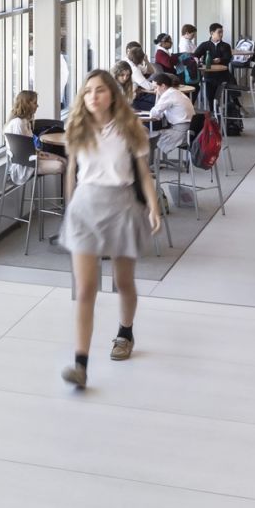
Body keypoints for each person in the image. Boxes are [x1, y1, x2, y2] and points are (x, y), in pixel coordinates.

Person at [59, 70, 162, 388]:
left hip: (121, 206)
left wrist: (154, 206)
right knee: (86, 289)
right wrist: (69, 207)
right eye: (88, 91)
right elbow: (72, 172)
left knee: (123, 282)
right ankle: (81, 364)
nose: (93, 96)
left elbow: (144, 173)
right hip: (86, 206)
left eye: (100, 90)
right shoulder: (76, 127)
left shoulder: (130, 128)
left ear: (112, 95)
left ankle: (125, 331)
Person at [4, 89, 65, 178]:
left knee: (64, 160)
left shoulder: (24, 122)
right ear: (27, 104)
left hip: (32, 157)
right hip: (26, 165)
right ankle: (69, 191)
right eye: (35, 102)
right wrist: (47, 156)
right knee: (62, 164)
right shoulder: (18, 123)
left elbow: (30, 149)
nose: (37, 105)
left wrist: (46, 155)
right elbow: (23, 153)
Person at [147, 71, 196, 159]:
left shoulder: (168, 95)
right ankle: (153, 164)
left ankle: (148, 167)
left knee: (150, 139)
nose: (155, 90)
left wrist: (158, 96)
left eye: (156, 87)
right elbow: (159, 114)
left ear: (163, 86)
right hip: (189, 130)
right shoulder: (176, 92)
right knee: (155, 135)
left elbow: (153, 113)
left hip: (179, 133)